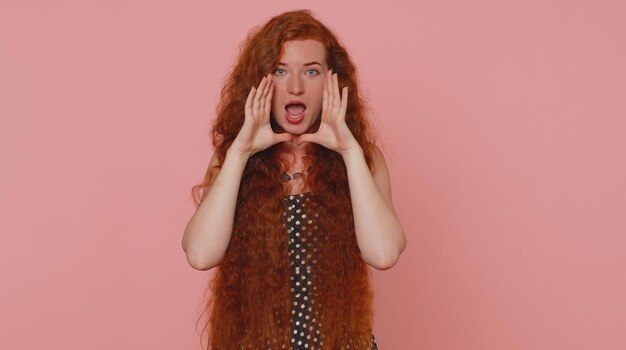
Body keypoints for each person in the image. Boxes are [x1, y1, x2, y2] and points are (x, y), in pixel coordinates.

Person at [182, 9, 406, 350]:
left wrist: (348, 150)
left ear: (333, 82)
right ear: (260, 82)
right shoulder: (233, 158)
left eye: (311, 71)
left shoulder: (362, 157)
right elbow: (200, 254)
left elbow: (384, 252)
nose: (296, 86)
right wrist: (241, 151)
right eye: (279, 71)